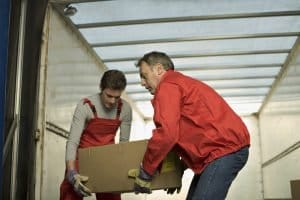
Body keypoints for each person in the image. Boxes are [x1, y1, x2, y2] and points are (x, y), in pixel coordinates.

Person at [130, 51, 250, 199]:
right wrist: (178, 169)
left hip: (223, 151)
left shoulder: (168, 85)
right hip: (220, 152)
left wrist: (146, 171)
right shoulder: (180, 84)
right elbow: (191, 136)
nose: (142, 82)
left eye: (144, 75)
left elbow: (167, 134)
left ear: (159, 69)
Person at [60, 69, 132, 200]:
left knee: (112, 196)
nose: (112, 101)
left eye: (117, 97)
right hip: (82, 158)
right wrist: (71, 172)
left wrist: (122, 172)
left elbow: (124, 145)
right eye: (109, 95)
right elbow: (72, 141)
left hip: (108, 158)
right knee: (69, 192)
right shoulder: (85, 105)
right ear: (101, 88)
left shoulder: (125, 109)